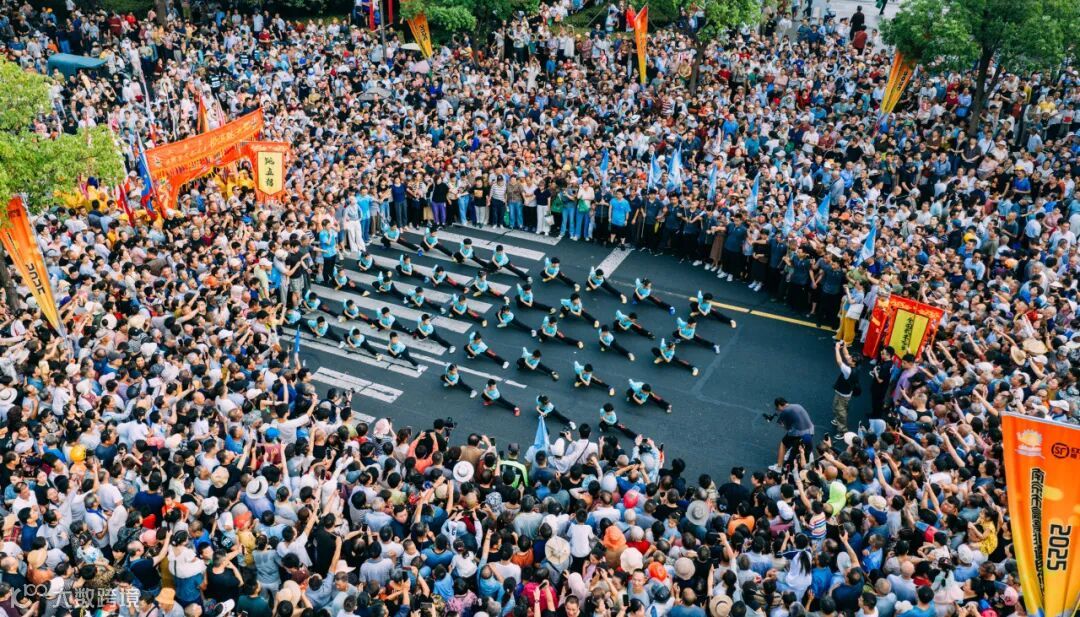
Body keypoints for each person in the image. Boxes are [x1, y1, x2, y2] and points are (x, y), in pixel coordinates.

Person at [771, 397, 815, 471]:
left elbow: (787, 428)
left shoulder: (785, 411)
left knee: (783, 442)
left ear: (779, 405)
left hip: (799, 433)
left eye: (777, 408)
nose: (779, 410)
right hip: (811, 431)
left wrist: (784, 424)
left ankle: (779, 467)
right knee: (803, 445)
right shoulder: (797, 405)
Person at [831, 342, 859, 432]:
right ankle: (838, 419)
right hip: (844, 391)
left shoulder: (848, 371)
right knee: (837, 407)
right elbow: (846, 354)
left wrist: (837, 348)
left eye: (851, 358)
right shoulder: (856, 365)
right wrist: (844, 346)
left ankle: (842, 430)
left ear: (854, 362)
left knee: (841, 411)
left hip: (843, 394)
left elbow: (839, 361)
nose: (848, 357)